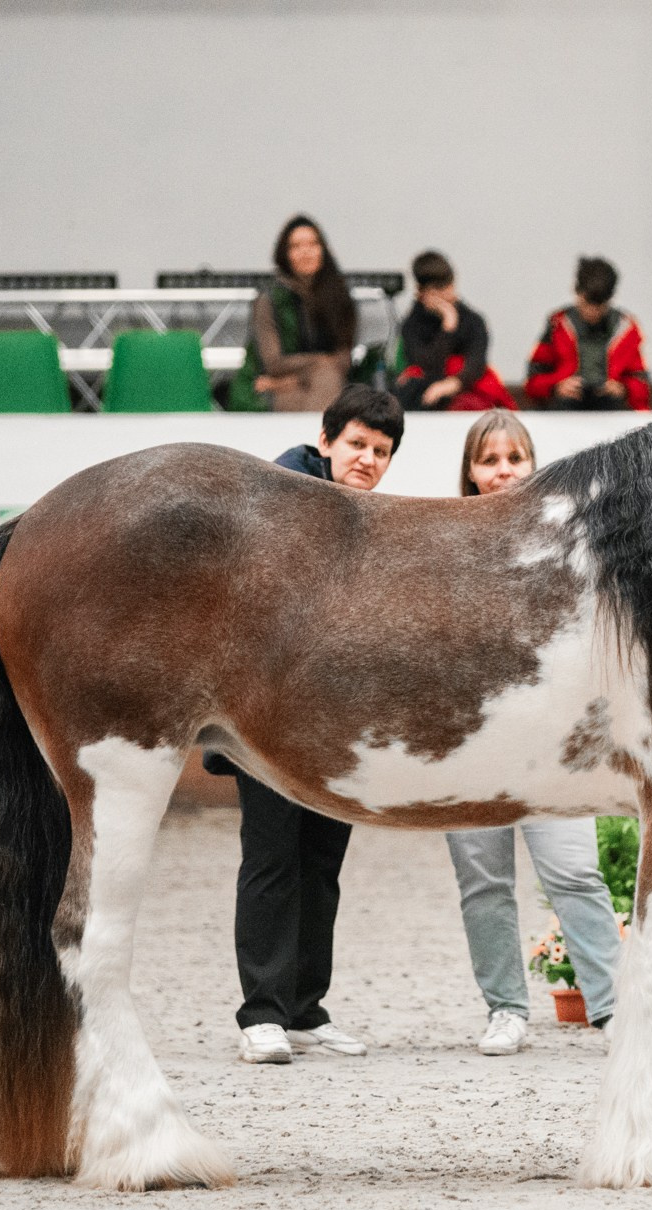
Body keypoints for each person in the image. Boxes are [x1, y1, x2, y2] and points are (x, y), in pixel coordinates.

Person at [221, 384, 405, 1064]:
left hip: (335, 723)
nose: (367, 459)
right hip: (267, 720)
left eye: (381, 451)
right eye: (356, 444)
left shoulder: (366, 515)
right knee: (272, 857)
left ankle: (304, 1008)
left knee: (321, 862)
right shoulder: (275, 502)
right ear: (325, 440)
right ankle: (261, 1013)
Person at [442, 410, 621, 1055]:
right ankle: (506, 1010)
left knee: (575, 873)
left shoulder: (570, 545)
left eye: (514, 458)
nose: (503, 472)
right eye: (489, 461)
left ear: (533, 465)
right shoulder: (446, 550)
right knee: (484, 883)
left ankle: (613, 1008)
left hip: (554, 744)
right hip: (471, 743)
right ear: (470, 472)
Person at [231, 214, 359, 413]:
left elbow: (343, 361)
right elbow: (273, 363)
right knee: (323, 385)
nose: (305, 252)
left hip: (295, 384)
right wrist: (319, 365)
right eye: (296, 246)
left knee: (328, 382)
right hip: (264, 390)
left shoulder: (340, 297)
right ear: (285, 254)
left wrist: (292, 380)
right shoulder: (269, 299)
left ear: (324, 250)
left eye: (313, 244)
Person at [395, 251, 515, 413]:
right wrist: (448, 327)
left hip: (465, 386)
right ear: (422, 293)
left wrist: (452, 384)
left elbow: (476, 363)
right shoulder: (412, 324)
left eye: (449, 286)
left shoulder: (473, 321)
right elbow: (425, 363)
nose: (448, 294)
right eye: (438, 290)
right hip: (425, 389)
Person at [523, 257, 650, 410]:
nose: (592, 312)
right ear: (577, 293)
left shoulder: (625, 329)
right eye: (587, 303)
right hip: (565, 406)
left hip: (611, 407)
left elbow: (641, 383)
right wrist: (556, 387)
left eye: (599, 306)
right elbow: (534, 381)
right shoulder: (557, 325)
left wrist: (623, 389)